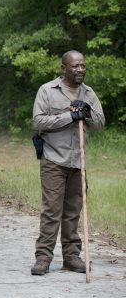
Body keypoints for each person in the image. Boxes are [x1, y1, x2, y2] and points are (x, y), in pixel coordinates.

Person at [31, 50, 104, 276]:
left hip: (78, 161)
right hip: (53, 159)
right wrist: (69, 116)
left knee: (73, 211)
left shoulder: (88, 93)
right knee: (52, 211)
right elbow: (38, 122)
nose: (80, 69)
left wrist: (87, 112)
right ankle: (43, 257)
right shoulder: (47, 90)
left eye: (83, 66)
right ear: (64, 68)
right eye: (75, 66)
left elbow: (100, 123)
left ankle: (71, 257)